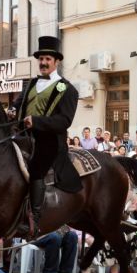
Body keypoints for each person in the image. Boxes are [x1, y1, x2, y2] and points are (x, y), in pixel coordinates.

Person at [10, 35, 82, 237]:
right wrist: (12, 110)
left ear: (56, 61)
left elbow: (64, 121)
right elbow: (19, 104)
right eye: (41, 59)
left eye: (47, 59)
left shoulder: (67, 89)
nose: (43, 62)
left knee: (36, 168)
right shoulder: (32, 83)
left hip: (50, 140)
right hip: (23, 135)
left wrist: (38, 122)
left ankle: (35, 216)